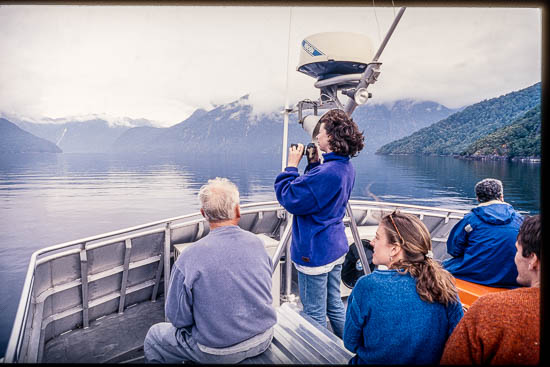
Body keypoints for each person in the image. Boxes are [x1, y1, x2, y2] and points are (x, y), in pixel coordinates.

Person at [144, 177, 277, 364]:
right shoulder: (258, 244)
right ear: (237, 211)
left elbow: (177, 318)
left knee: (154, 336)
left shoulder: (190, 257)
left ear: (203, 214)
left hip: (218, 353)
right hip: (263, 338)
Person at [274, 109, 364, 338]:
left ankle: (318, 354)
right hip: (334, 247)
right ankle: (347, 349)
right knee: (334, 304)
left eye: (320, 133)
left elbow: (289, 196)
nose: (317, 137)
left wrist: (291, 166)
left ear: (331, 138)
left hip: (315, 252)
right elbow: (318, 193)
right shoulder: (344, 167)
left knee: (313, 312)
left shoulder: (327, 173)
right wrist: (313, 164)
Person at [343, 211, 464, 364]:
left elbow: (350, 343)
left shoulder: (367, 285)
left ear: (394, 249)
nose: (372, 242)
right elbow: (457, 340)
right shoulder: (444, 283)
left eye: (377, 237)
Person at [440, 214, 541, 365]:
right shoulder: (516, 219)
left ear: (533, 259)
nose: (514, 258)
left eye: (517, 251)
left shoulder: (489, 309)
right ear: (500, 196)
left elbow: (454, 248)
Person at [443, 178, 523, 288]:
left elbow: (453, 250)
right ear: (501, 196)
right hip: (512, 278)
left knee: (441, 268)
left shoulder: (470, 220)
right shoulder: (521, 220)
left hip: (475, 275)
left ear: (478, 198)